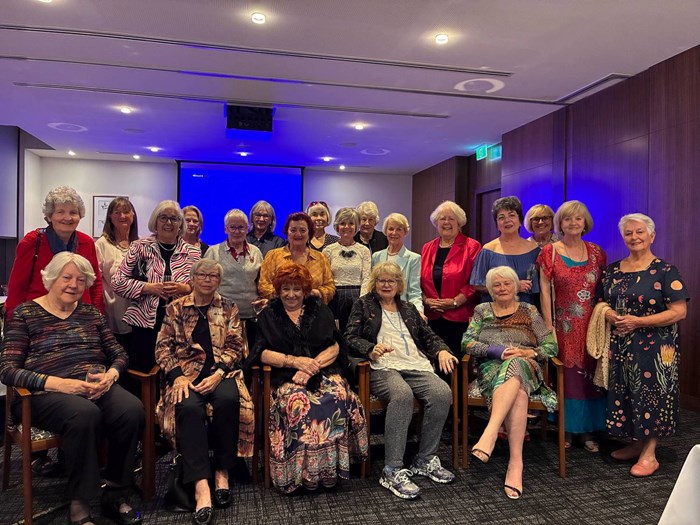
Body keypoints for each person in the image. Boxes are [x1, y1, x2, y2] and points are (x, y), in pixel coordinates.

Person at [0, 252, 144, 525]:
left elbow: (118, 353)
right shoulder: (25, 314)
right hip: (43, 394)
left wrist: (111, 375)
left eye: (81, 280)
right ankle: (80, 502)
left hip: (93, 387)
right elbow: (8, 369)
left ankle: (115, 491)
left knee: (131, 410)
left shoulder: (91, 313)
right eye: (66, 277)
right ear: (51, 278)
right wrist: (60, 384)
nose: (73, 285)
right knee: (84, 413)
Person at [248, 263, 368, 493]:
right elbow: (260, 352)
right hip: (285, 375)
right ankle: (305, 473)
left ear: (305, 290)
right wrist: (295, 362)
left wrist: (311, 367)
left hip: (323, 369)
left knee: (338, 395)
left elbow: (335, 346)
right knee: (299, 402)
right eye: (286, 289)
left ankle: (329, 470)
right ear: (278, 290)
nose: (291, 294)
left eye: (297, 289)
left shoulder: (321, 310)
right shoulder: (268, 315)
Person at [345, 261, 458, 499]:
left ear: (399, 284)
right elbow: (350, 337)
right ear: (375, 283)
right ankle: (392, 469)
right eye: (382, 280)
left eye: (392, 280)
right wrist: (370, 348)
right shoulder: (363, 305)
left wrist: (442, 350)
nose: (387, 285)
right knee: (402, 394)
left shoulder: (408, 308)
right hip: (382, 366)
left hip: (415, 364)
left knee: (442, 393)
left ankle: (425, 459)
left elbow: (429, 336)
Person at [155, 259, 254, 524]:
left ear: (219, 281)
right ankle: (201, 485)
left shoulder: (229, 307)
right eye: (202, 275)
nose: (208, 279)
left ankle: (222, 471)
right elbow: (163, 347)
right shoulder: (176, 308)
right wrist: (177, 376)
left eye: (213, 276)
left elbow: (236, 345)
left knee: (228, 400)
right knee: (188, 407)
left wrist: (219, 372)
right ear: (192, 278)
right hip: (186, 375)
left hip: (222, 372)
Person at [602, 213, 688, 477]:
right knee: (627, 393)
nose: (634, 237)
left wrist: (638, 322)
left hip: (656, 347)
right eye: (628, 233)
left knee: (652, 395)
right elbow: (601, 301)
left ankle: (650, 454)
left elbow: (679, 311)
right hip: (621, 345)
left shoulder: (666, 270)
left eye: (639, 232)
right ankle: (636, 443)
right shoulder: (613, 270)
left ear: (652, 235)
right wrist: (609, 314)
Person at [462, 266, 558, 500]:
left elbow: (550, 345)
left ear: (516, 287)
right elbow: (467, 342)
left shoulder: (529, 310)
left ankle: (491, 431)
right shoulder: (482, 310)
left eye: (507, 283)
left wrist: (528, 353)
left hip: (527, 364)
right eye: (496, 285)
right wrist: (498, 351)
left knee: (517, 364)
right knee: (519, 393)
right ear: (490, 290)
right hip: (492, 367)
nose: (502, 288)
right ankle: (516, 463)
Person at [538, 200, 606, 451]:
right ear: (560, 223)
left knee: (590, 376)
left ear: (585, 222)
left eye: (578, 218)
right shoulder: (550, 252)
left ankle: (587, 430)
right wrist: (548, 326)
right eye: (567, 219)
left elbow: (602, 289)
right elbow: (545, 291)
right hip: (563, 326)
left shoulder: (597, 252)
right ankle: (566, 429)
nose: (573, 223)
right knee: (567, 378)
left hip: (592, 325)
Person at [112, 200, 200, 375]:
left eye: (174, 219)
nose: (168, 223)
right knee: (144, 373)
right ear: (155, 221)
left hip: (181, 324)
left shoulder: (193, 252)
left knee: (178, 373)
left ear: (180, 224)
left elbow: (202, 286)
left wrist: (185, 288)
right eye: (163, 218)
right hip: (145, 324)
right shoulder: (140, 247)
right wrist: (147, 288)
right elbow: (117, 282)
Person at [5, 185, 104, 319]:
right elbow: (17, 287)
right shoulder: (32, 242)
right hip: (38, 318)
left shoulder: (87, 242)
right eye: (60, 212)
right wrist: (14, 321)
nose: (67, 218)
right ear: (49, 216)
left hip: (79, 318)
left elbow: (95, 283)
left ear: (80, 215)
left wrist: (97, 315)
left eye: (73, 212)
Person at [420, 200, 481, 355]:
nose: (446, 222)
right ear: (436, 223)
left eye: (451, 218)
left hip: (459, 318)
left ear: (459, 222)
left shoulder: (472, 246)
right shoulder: (427, 247)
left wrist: (455, 302)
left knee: (456, 361)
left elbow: (475, 282)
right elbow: (418, 281)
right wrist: (426, 301)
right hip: (431, 317)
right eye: (442, 218)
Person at [204, 209, 264, 348]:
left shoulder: (256, 252)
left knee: (249, 356)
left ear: (247, 228)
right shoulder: (213, 252)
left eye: (241, 227)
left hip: (251, 315)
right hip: (222, 316)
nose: (237, 231)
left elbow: (261, 281)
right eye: (232, 227)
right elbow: (204, 283)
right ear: (225, 229)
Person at [470, 197, 540, 305]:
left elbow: (541, 286)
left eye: (512, 215)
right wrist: (515, 286)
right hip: (495, 310)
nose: (507, 220)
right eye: (501, 217)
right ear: (497, 224)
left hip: (527, 309)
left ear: (520, 221)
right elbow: (477, 284)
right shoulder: (488, 250)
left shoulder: (534, 250)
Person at [258, 212, 335, 304]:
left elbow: (330, 287)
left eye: (302, 230)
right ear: (287, 232)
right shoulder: (273, 255)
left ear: (309, 233)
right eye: (293, 230)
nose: (298, 234)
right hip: (280, 308)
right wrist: (286, 294)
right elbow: (263, 286)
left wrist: (313, 293)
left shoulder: (321, 258)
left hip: (313, 308)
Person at [96, 197, 139, 348]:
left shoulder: (140, 244)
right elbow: (96, 281)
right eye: (117, 212)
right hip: (113, 313)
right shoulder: (102, 244)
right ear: (110, 216)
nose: (122, 216)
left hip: (138, 313)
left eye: (126, 212)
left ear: (133, 215)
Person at [322, 207, 371, 331]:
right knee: (336, 333)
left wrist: (362, 301)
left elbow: (366, 278)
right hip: (335, 297)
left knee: (355, 332)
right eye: (343, 223)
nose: (347, 227)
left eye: (351, 223)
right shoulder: (328, 250)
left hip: (357, 296)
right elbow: (325, 278)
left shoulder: (364, 250)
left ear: (356, 226)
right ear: (337, 226)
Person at [371, 212, 423, 315]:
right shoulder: (376, 256)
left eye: (399, 229)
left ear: (405, 232)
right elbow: (372, 287)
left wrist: (418, 312)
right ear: (385, 231)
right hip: (378, 310)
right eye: (391, 229)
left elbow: (414, 292)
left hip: (402, 311)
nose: (394, 233)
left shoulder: (414, 258)